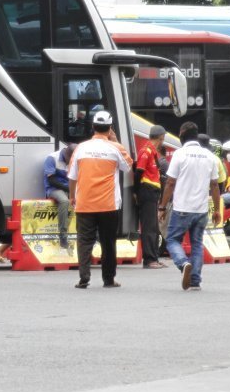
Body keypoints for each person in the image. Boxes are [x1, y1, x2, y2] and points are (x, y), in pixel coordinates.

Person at [68, 111, 132, 289]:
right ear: (110, 128)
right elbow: (127, 167)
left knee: (84, 241)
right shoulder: (115, 148)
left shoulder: (81, 148)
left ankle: (84, 277)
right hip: (108, 204)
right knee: (108, 242)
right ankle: (108, 279)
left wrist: (72, 196)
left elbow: (72, 176)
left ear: (92, 127)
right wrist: (116, 142)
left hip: (85, 203)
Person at [159, 122, 219, 291]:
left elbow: (170, 182)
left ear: (183, 133)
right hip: (201, 209)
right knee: (197, 243)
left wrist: (162, 207)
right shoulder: (209, 156)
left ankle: (183, 263)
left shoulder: (179, 154)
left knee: (172, 240)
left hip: (182, 208)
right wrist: (217, 210)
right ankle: (195, 281)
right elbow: (215, 185)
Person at [134, 126, 167, 268]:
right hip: (146, 191)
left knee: (153, 226)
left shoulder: (152, 152)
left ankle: (154, 257)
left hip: (153, 192)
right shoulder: (146, 151)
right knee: (148, 226)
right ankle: (149, 259)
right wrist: (135, 192)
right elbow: (138, 172)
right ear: (161, 138)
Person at [43, 143, 77, 248]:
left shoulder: (77, 160)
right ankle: (63, 235)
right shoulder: (52, 158)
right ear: (66, 154)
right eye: (69, 160)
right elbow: (51, 180)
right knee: (64, 201)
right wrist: (70, 190)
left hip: (70, 188)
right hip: (54, 188)